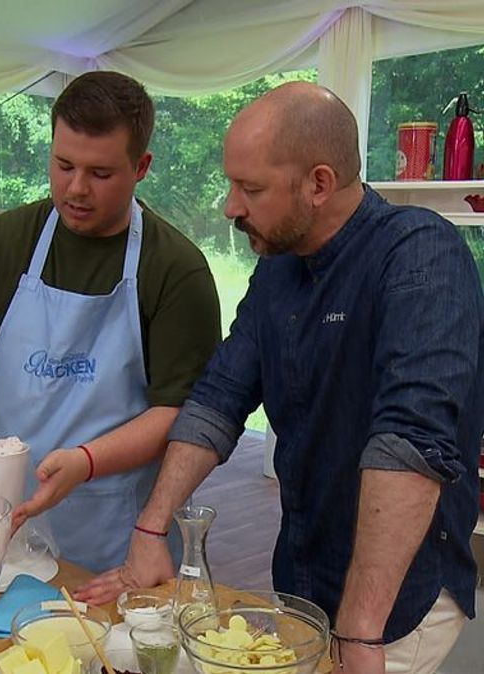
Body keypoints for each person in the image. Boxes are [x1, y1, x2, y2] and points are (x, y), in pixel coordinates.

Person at [79, 82, 480, 674]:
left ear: (319, 183)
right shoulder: (278, 272)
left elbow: (411, 443)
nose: (229, 207)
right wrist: (149, 528)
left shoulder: (420, 253)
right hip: (304, 573)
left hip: (396, 598)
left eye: (251, 188)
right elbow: (218, 400)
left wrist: (362, 634)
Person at [0, 71, 222, 573]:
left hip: (114, 539)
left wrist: (86, 461)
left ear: (141, 166)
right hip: (2, 530)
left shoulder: (175, 268)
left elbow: (180, 414)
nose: (76, 189)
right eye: (63, 165)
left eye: (100, 174)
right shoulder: (5, 241)